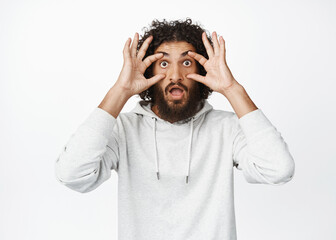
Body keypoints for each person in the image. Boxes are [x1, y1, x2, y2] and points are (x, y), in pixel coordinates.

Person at [55, 18, 295, 240]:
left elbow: (278, 170)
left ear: (202, 71)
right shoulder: (124, 130)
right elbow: (72, 174)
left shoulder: (227, 128)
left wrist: (232, 89)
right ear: (148, 72)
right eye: (164, 63)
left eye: (187, 62)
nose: (175, 75)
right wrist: (120, 90)